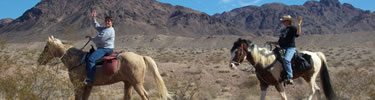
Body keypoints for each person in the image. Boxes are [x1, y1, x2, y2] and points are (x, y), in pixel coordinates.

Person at [84, 10, 115, 85]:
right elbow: (97, 26)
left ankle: (90, 79)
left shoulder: (109, 30)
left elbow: (100, 38)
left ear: (112, 22)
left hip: (105, 49)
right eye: (106, 21)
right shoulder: (105, 29)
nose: (107, 22)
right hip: (104, 48)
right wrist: (94, 18)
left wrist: (92, 39)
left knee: (91, 59)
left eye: (109, 21)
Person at [271, 15, 302, 85]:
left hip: (290, 48)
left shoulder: (293, 28)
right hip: (282, 48)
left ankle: (290, 77)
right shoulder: (283, 30)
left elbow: (298, 34)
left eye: (284, 21)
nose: (283, 22)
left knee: (286, 60)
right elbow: (279, 41)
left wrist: (299, 25)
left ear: (288, 21)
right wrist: (272, 42)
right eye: (283, 21)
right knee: (274, 58)